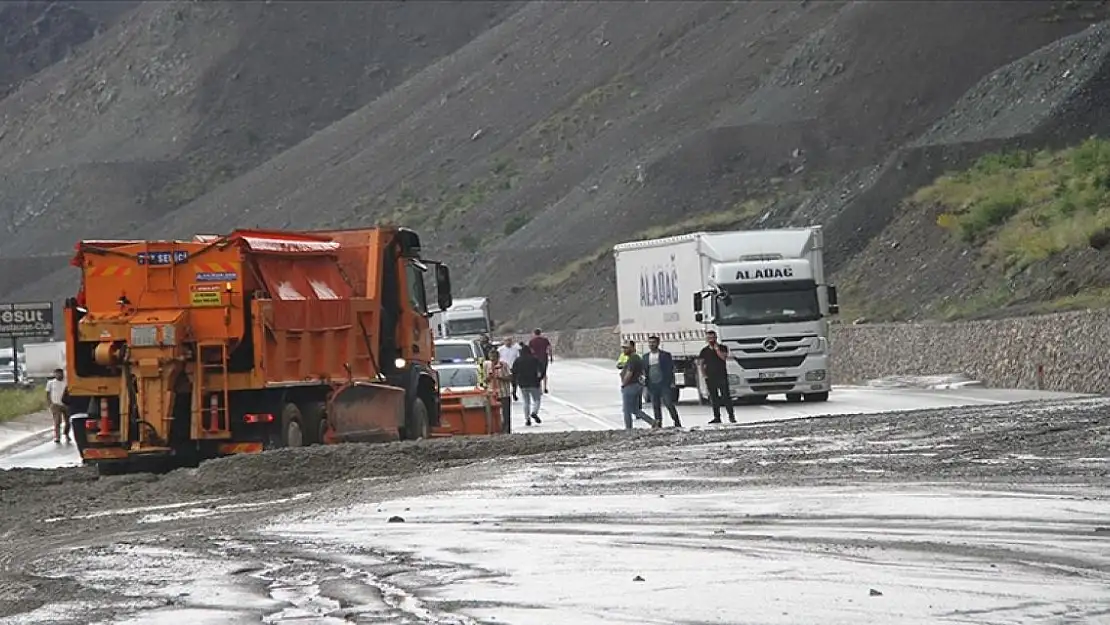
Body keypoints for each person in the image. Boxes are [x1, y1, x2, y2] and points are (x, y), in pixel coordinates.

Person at [643, 335, 682, 428]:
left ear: (658, 343)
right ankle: (658, 423)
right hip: (652, 384)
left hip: (664, 384)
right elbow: (644, 371)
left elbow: (671, 369)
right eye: (650, 342)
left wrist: (672, 382)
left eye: (653, 342)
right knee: (655, 405)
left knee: (668, 403)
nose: (652, 344)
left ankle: (676, 421)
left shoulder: (665, 355)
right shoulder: (645, 357)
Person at [698, 330, 736, 424]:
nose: (711, 339)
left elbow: (724, 357)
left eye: (712, 337)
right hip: (711, 377)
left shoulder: (723, 347)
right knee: (714, 398)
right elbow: (701, 364)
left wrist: (717, 349)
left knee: (726, 397)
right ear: (706, 339)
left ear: (716, 338)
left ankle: (731, 416)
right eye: (709, 338)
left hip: (721, 375)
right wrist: (704, 375)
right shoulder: (704, 351)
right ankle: (717, 417)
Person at [619, 341, 656, 430]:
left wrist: (624, 384)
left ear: (632, 348)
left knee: (626, 410)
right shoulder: (634, 358)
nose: (624, 350)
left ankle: (629, 429)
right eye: (623, 348)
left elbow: (629, 373)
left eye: (626, 348)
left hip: (631, 386)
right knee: (634, 409)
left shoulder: (633, 359)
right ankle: (653, 422)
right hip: (636, 385)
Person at [511, 344, 543, 426]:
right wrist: (539, 379)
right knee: (537, 400)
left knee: (526, 402)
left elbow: (513, 371)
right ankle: (534, 412)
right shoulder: (534, 359)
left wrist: (515, 382)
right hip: (534, 382)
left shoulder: (518, 360)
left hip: (522, 384)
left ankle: (527, 419)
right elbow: (542, 369)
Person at [485, 349, 513, 433]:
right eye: (491, 358)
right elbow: (483, 380)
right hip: (491, 394)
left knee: (505, 414)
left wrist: (500, 377)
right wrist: (488, 378)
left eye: (494, 358)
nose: (493, 360)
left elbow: (510, 377)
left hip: (503, 393)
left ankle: (506, 431)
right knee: (492, 414)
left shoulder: (504, 365)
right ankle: (495, 430)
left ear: (498, 357)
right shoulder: (486, 365)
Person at [45, 368, 70, 443]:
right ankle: (57, 437)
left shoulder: (67, 382)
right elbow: (47, 394)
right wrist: (50, 403)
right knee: (57, 421)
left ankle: (66, 434)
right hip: (55, 404)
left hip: (66, 404)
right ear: (55, 374)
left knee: (68, 421)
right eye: (57, 373)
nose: (58, 375)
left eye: (60, 373)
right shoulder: (51, 383)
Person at [528, 328, 552, 394]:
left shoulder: (532, 341)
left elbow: (530, 350)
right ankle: (545, 387)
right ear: (540, 333)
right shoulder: (545, 340)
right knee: (544, 373)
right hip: (544, 358)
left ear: (534, 333)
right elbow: (549, 348)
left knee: (537, 373)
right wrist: (550, 356)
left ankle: (540, 388)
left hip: (535, 359)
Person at [497, 336, 521, 401]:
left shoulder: (515, 349)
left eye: (509, 340)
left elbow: (518, 358)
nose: (508, 342)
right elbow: (497, 358)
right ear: (504, 342)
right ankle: (505, 394)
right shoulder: (500, 349)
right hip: (503, 368)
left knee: (514, 383)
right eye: (506, 340)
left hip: (513, 367)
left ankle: (514, 393)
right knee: (504, 382)